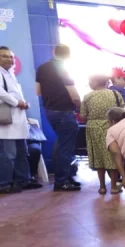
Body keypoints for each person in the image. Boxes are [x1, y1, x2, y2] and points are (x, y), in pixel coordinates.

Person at [36, 44, 81, 191]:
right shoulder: (63, 69)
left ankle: (66, 178)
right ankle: (62, 181)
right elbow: (73, 95)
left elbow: (38, 91)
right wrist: (79, 107)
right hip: (64, 111)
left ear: (54, 52)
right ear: (68, 56)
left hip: (50, 110)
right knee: (65, 147)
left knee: (62, 144)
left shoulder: (42, 68)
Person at [0, 46, 41, 194]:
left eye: (11, 57)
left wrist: (23, 103)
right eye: (5, 56)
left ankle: (23, 180)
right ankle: (4, 184)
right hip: (6, 123)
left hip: (18, 121)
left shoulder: (10, 74)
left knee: (22, 153)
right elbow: (1, 93)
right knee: (8, 155)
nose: (9, 59)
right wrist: (18, 103)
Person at [80, 74, 124, 194]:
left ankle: (102, 186)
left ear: (94, 82)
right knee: (113, 156)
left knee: (98, 157)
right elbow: (122, 110)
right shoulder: (115, 94)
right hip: (112, 127)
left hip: (93, 129)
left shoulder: (87, 96)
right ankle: (114, 186)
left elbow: (83, 115)